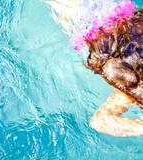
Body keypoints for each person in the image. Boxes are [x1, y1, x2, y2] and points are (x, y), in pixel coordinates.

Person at [45, 0, 143, 136]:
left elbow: (101, 121)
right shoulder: (129, 91)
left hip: (108, 11)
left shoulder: (132, 85)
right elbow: (101, 121)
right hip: (82, 21)